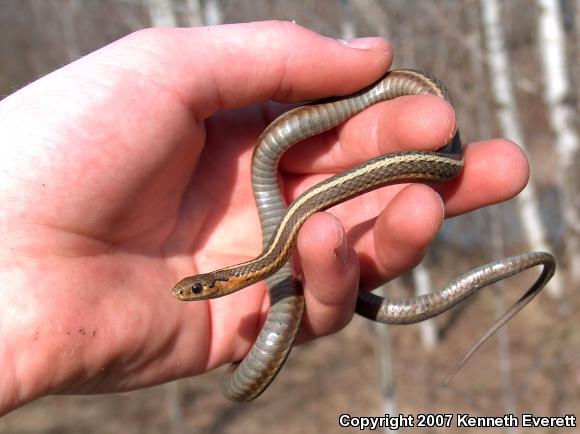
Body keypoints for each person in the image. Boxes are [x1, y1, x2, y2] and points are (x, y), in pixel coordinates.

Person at [0, 21, 529, 415]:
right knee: (325, 243)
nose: (195, 295)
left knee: (427, 160)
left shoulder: (263, 255)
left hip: (392, 120)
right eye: (199, 292)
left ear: (222, 284)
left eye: (200, 290)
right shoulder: (265, 256)